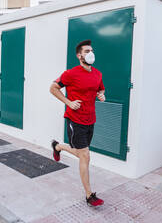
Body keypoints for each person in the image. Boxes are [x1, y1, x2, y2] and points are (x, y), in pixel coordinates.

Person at [49, 39, 105, 207]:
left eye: (91, 50)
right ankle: (89, 195)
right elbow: (53, 87)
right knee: (85, 156)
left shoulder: (97, 74)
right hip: (75, 119)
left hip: (91, 120)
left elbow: (100, 89)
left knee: (82, 154)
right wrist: (68, 102)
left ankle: (58, 147)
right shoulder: (71, 73)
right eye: (87, 51)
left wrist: (101, 95)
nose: (90, 53)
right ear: (79, 55)